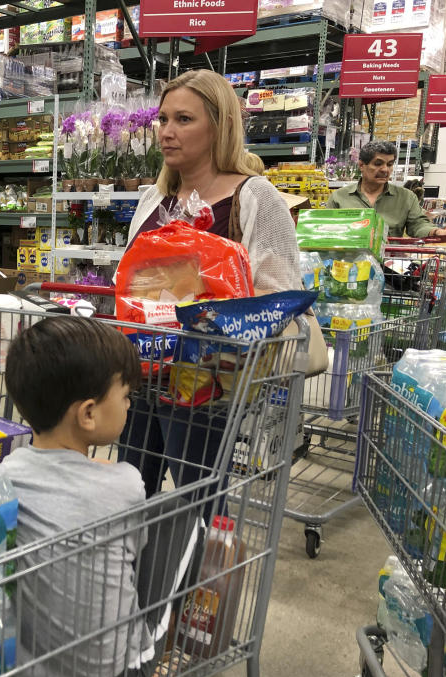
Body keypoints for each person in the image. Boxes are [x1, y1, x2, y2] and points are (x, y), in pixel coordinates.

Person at [2, 315, 200, 677]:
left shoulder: (4, 476)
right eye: (125, 395)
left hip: (18, 676)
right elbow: (137, 558)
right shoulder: (126, 484)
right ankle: (172, 642)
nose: (130, 404)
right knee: (186, 515)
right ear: (88, 414)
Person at [123, 69, 301, 501]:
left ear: (220, 127)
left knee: (198, 497)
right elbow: (128, 280)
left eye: (183, 120)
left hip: (208, 383)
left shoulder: (256, 198)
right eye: (162, 120)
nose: (167, 132)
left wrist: (210, 310)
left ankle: (195, 566)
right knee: (128, 489)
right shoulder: (153, 199)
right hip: (141, 369)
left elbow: (279, 296)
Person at [326, 141, 446, 238]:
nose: (385, 170)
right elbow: (326, 230)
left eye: (389, 164)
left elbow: (418, 224)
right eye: (378, 164)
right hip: (347, 265)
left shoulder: (406, 197)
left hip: (388, 266)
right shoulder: (339, 197)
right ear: (361, 165)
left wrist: (436, 231)